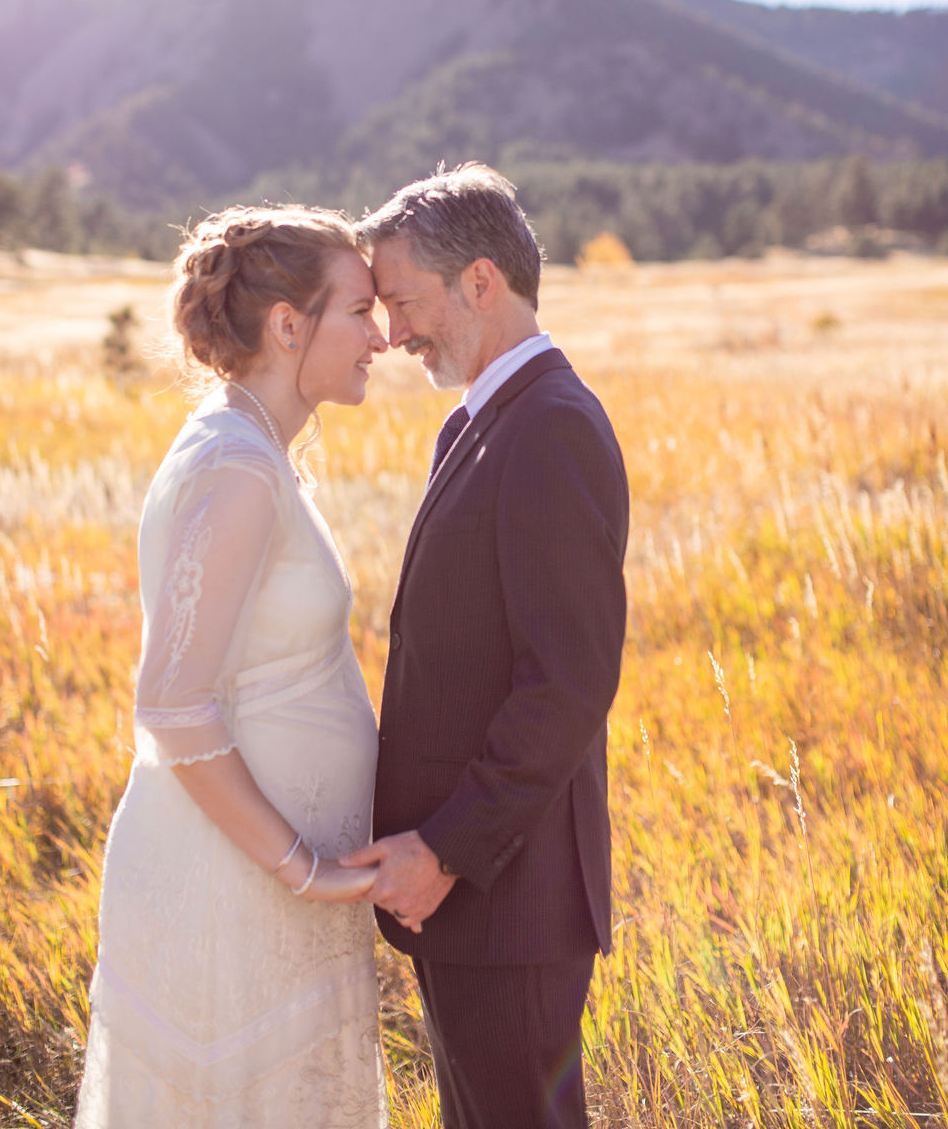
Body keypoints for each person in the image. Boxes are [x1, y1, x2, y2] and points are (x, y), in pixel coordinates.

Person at [74, 205, 390, 1129]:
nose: (381, 336)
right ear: (288, 325)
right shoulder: (236, 468)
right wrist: (305, 872)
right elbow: (174, 706)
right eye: (359, 311)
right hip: (233, 897)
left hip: (269, 896)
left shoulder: (253, 449)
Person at [344, 164, 628, 1129]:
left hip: (510, 892)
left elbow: (569, 685)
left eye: (403, 302)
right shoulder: (482, 421)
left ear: (479, 282)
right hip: (477, 902)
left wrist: (446, 850)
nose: (392, 333)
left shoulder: (549, 427)